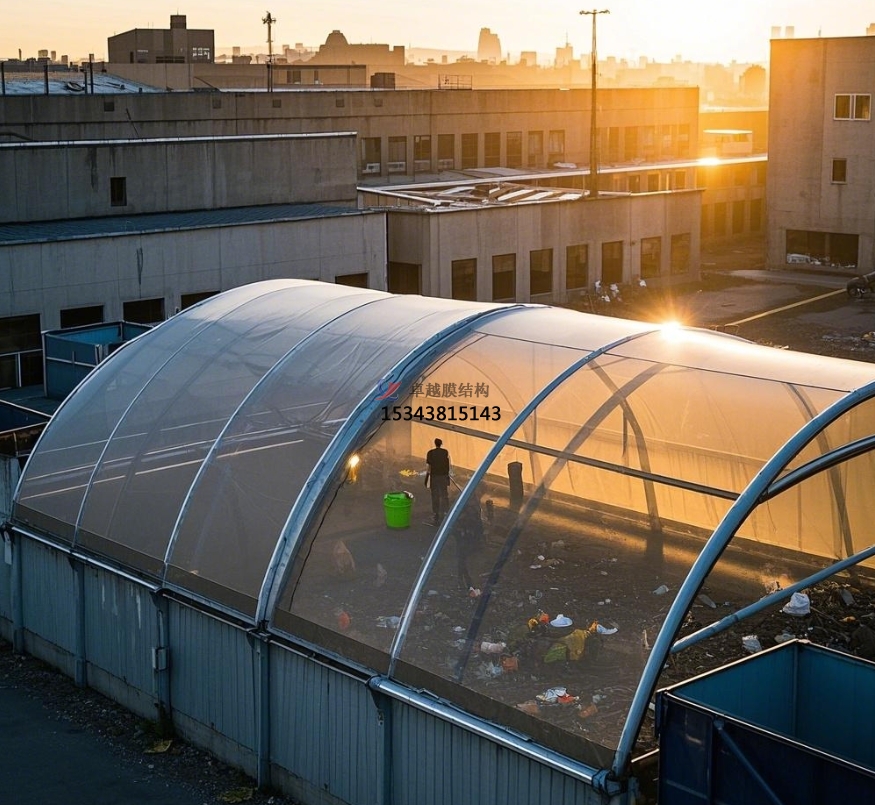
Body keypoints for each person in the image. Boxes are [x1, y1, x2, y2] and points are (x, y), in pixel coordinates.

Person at [425, 437, 450, 524]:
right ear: (441, 444)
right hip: (443, 476)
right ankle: (446, 512)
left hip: (434, 477)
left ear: (435, 443)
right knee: (444, 494)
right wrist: (447, 476)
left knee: (435, 495)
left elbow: (429, 467)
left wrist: (427, 477)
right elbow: (447, 464)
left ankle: (436, 514)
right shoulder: (445, 452)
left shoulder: (430, 453)